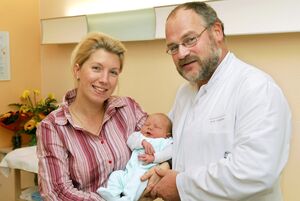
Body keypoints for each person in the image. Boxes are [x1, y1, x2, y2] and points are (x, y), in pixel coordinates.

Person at [143, 2, 292, 201]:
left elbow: (255, 171)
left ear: (217, 31)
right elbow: (175, 148)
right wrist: (161, 169)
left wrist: (181, 186)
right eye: (173, 47)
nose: (182, 54)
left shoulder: (256, 88)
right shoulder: (184, 94)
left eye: (190, 39)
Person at [36, 32, 165, 201]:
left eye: (113, 72)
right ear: (77, 70)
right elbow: (58, 192)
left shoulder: (128, 109)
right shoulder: (53, 127)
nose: (105, 79)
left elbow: (162, 143)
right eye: (96, 68)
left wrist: (163, 166)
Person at [97, 113, 173, 201]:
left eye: (156, 127)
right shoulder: (139, 136)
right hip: (128, 172)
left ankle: (127, 199)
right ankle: (112, 193)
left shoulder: (165, 142)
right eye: (147, 124)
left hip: (143, 174)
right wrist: (142, 142)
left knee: (134, 185)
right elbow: (130, 140)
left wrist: (154, 158)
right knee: (116, 175)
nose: (150, 127)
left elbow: (170, 152)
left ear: (167, 135)